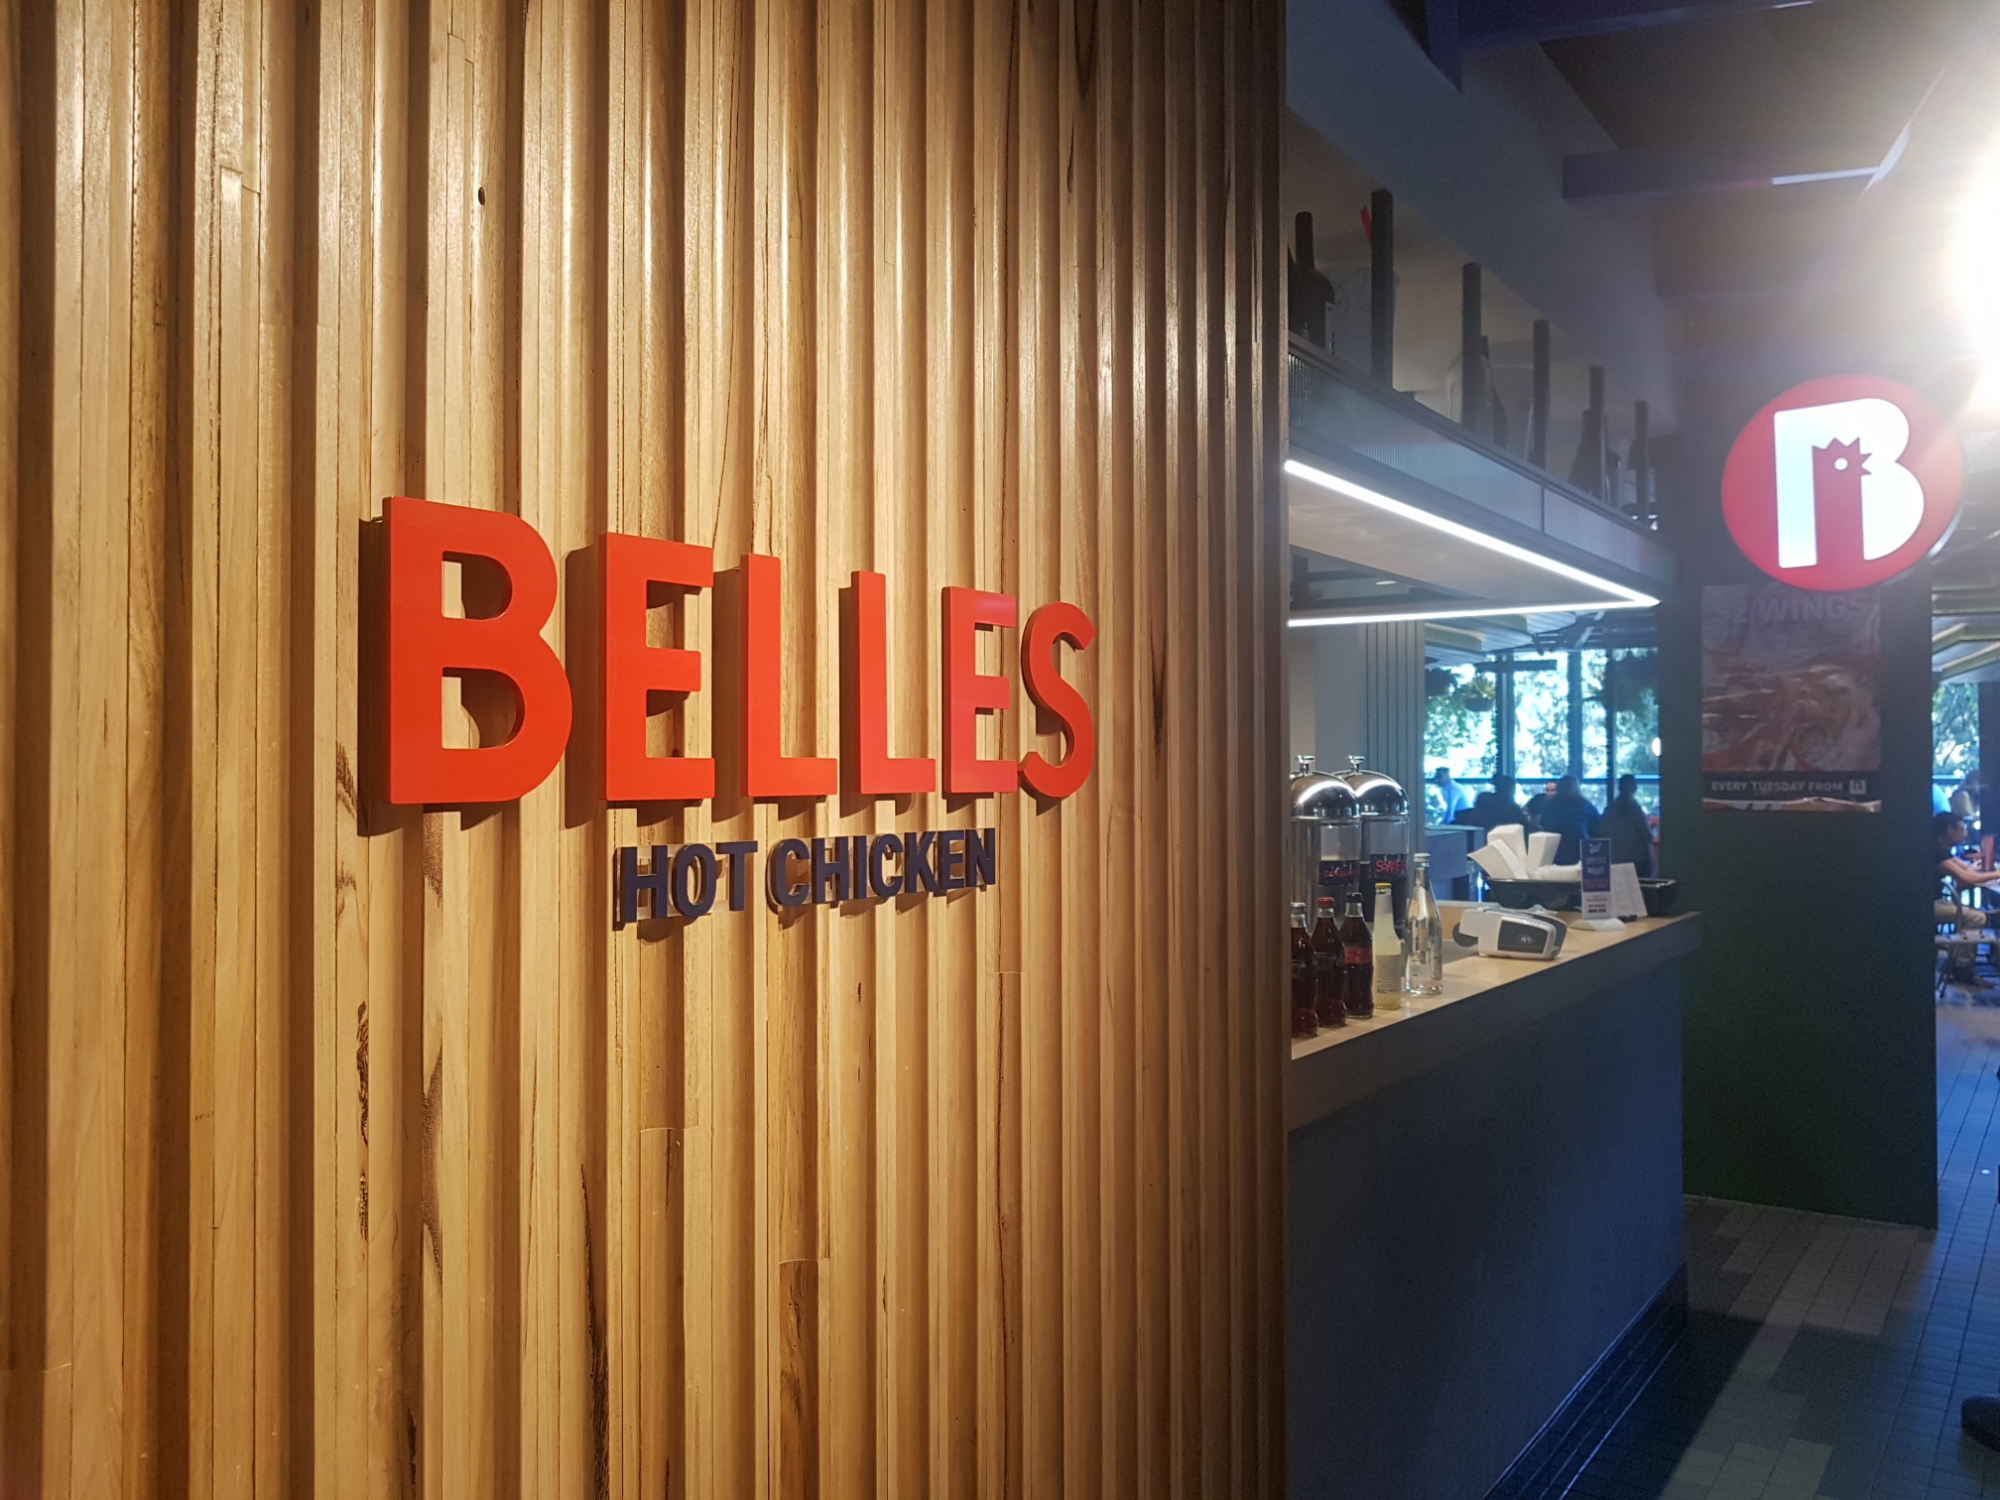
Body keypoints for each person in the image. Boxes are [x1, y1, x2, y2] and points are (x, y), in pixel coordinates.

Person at [1536, 775, 1601, 865]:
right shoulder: (1584, 805)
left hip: (1553, 852)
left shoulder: (1548, 806)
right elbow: (1597, 826)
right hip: (1579, 852)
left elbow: (1543, 824)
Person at [1602, 774, 1655, 877]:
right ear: (1634, 787)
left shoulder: (1610, 810)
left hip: (1616, 860)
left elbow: (1602, 832)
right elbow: (1646, 835)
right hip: (1637, 859)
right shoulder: (1635, 809)